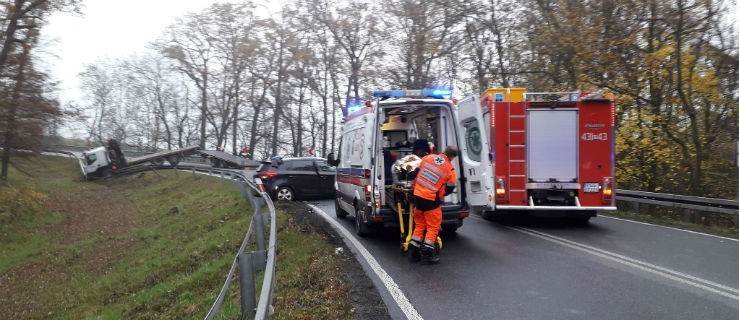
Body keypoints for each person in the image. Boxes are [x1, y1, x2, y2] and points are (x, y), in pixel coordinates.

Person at [408, 146, 458, 264]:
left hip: (418, 197)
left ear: (444, 151)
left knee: (420, 225)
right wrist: (440, 193)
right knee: (433, 227)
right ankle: (427, 255)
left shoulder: (428, 158)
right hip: (431, 200)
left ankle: (413, 253)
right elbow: (450, 187)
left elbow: (416, 172)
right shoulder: (450, 168)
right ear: (451, 157)